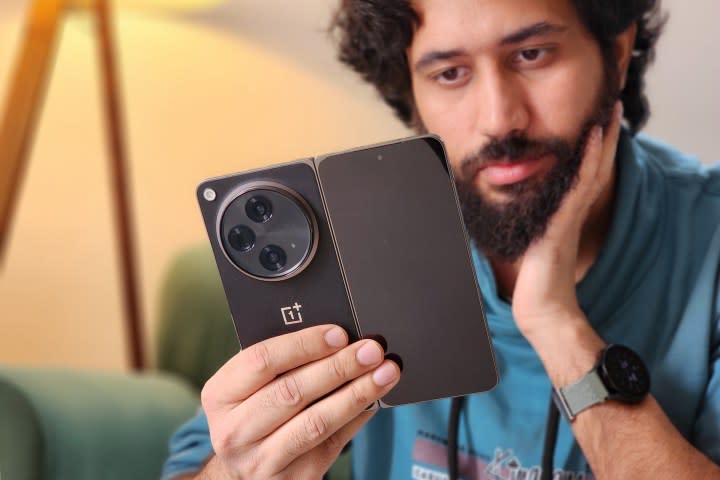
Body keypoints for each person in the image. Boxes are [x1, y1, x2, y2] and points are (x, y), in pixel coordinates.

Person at [162, 1, 720, 479]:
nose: (500, 119)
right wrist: (239, 469)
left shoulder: (708, 243)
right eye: (450, 73)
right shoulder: (366, 236)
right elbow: (199, 461)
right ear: (412, 92)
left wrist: (555, 324)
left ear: (617, 52)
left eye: (533, 54)